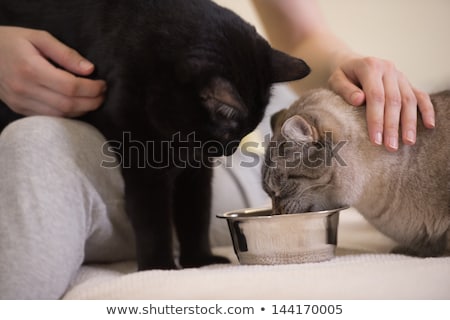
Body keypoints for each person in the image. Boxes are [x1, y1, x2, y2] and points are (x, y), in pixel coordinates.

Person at [0, 0, 435, 299]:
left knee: (265, 135)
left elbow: (301, 40)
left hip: (223, 116)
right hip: (70, 134)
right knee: (32, 146)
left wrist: (348, 65)